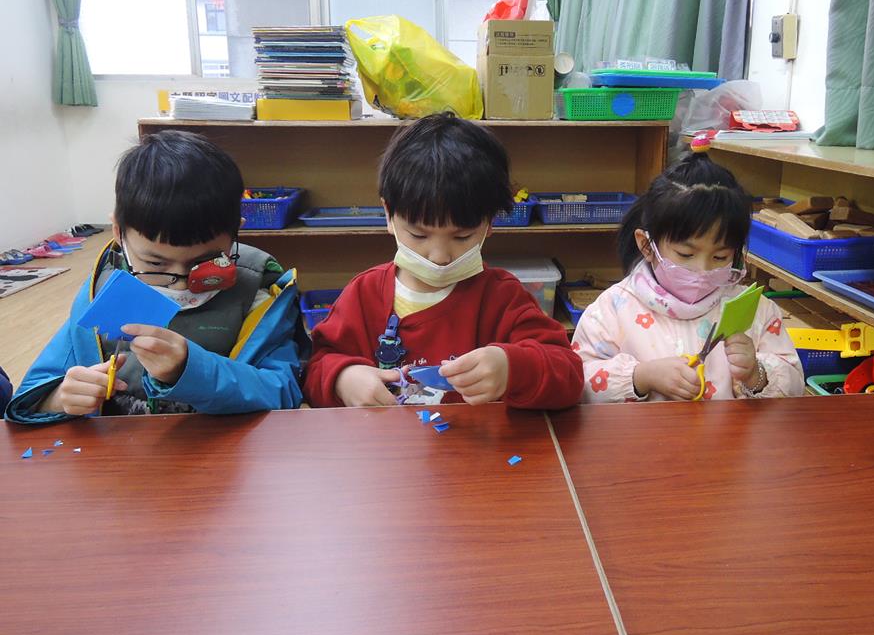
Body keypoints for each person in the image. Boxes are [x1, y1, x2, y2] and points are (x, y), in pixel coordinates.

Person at [5, 131, 304, 424]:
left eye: (204, 262)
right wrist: (58, 399)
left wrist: (191, 370)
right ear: (118, 233)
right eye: (155, 262)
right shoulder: (104, 287)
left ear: (235, 232)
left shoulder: (258, 290)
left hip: (228, 450)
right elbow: (30, 397)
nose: (182, 281)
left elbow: (284, 391)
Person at [304, 113, 583, 409]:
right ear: (388, 214)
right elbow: (317, 369)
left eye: (462, 237)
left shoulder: (502, 297)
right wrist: (344, 378)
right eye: (418, 235)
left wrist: (512, 367)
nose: (439, 257)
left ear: (489, 223)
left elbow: (569, 374)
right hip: (384, 438)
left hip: (475, 439)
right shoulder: (365, 294)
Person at [573, 152, 803, 402]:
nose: (703, 269)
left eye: (720, 257)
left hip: (730, 429)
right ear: (647, 245)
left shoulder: (755, 311)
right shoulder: (612, 310)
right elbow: (577, 382)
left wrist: (756, 374)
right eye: (685, 254)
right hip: (647, 430)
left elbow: (795, 388)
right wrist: (640, 377)